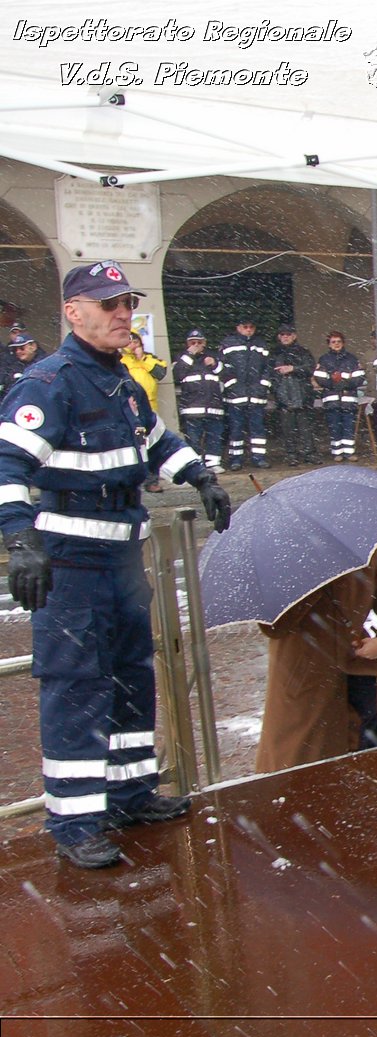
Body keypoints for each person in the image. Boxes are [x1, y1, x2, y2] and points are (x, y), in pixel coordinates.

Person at [0, 259, 232, 869]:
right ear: (72, 312)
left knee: (133, 674)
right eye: (108, 305)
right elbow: (8, 466)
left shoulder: (123, 383)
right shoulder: (48, 384)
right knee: (77, 686)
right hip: (69, 563)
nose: (122, 315)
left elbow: (159, 441)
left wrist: (200, 478)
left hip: (122, 557)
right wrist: (19, 540)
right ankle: (75, 819)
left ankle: (129, 792)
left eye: (126, 304)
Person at [256, 549, 377, 772]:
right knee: (301, 776)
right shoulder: (282, 558)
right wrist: (312, 579)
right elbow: (273, 626)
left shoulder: (360, 550)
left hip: (362, 671)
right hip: (304, 678)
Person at [220, 316, 272, 470]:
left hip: (257, 396)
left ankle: (259, 458)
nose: (248, 329)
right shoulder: (228, 343)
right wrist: (233, 386)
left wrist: (262, 386)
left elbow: (268, 368)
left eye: (251, 327)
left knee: (258, 429)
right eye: (245, 327)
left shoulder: (261, 344)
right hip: (236, 397)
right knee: (236, 429)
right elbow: (223, 368)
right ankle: (236, 459)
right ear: (238, 327)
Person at [119, 333, 169, 492]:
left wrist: (142, 358)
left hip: (149, 407)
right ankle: (129, 480)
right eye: (129, 341)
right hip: (128, 409)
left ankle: (151, 480)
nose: (133, 345)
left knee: (151, 444)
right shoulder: (120, 361)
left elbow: (160, 373)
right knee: (130, 445)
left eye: (136, 341)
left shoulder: (149, 358)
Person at [173, 329, 226, 471]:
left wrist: (215, 364)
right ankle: (195, 465)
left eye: (199, 342)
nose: (196, 345)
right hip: (192, 408)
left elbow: (227, 374)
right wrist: (190, 355)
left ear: (205, 343)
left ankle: (213, 463)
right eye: (192, 342)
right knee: (193, 439)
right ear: (187, 344)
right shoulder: (181, 357)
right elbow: (177, 374)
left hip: (214, 406)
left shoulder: (213, 356)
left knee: (214, 437)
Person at [270, 323, 317, 466]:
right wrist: (277, 391)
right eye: (283, 334)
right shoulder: (274, 354)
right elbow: (270, 374)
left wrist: (293, 368)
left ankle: (310, 454)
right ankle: (291, 455)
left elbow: (310, 368)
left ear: (294, 336)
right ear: (279, 337)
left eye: (288, 334)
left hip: (303, 396)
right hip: (283, 397)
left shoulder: (303, 352)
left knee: (306, 428)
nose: (285, 337)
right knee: (288, 429)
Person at [315, 332, 363, 462]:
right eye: (333, 342)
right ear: (329, 344)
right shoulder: (324, 359)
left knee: (348, 426)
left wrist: (344, 383)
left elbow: (359, 377)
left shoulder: (352, 359)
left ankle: (349, 452)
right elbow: (320, 378)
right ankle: (337, 452)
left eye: (339, 341)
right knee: (334, 426)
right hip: (332, 400)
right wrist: (333, 383)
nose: (336, 344)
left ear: (343, 343)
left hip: (348, 399)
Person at [1, 332, 40, 398]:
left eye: (22, 348)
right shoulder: (13, 366)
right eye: (15, 349)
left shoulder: (44, 365)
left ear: (33, 347)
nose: (18, 351)